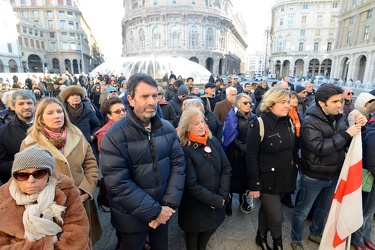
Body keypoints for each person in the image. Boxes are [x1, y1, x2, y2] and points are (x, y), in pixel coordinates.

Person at [99, 73, 186, 250]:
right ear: (130, 99)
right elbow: (119, 184)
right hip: (130, 218)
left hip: (163, 210)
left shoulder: (167, 128)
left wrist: (167, 206)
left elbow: (178, 166)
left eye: (154, 95)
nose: (152, 101)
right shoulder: (114, 136)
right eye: (144, 96)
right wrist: (156, 211)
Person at [291, 84, 367, 250]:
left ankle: (315, 233)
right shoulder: (310, 122)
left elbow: (346, 140)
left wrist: (361, 126)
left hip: (333, 173)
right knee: (303, 211)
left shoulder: (338, 117)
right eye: (334, 101)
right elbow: (319, 148)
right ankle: (296, 239)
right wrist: (347, 133)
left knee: (323, 209)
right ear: (321, 103)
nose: (340, 105)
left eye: (340, 100)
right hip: (313, 175)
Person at [20, 97, 102, 245]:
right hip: (50, 207)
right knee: (61, 243)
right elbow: (25, 178)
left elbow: (90, 164)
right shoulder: (30, 143)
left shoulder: (76, 134)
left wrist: (85, 191)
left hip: (81, 200)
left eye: (59, 111)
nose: (57, 116)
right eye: (50, 113)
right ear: (41, 119)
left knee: (83, 240)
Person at [0, 145, 91, 249]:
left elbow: (78, 231)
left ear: (49, 174)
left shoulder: (67, 190)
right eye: (23, 175)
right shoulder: (2, 198)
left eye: (39, 173)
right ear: (15, 177)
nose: (31, 180)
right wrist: (53, 239)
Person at [246, 87, 296, 250]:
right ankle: (278, 243)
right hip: (266, 180)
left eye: (288, 102)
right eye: (283, 102)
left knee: (267, 210)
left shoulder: (288, 121)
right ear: (271, 103)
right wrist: (254, 185)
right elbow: (251, 156)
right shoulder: (259, 123)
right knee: (276, 217)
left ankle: (260, 237)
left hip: (284, 177)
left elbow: (290, 148)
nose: (287, 105)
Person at [177, 107, 231, 250]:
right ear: (186, 127)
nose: (201, 126)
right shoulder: (184, 149)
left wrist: (222, 196)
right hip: (195, 208)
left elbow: (226, 168)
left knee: (206, 237)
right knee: (193, 240)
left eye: (202, 121)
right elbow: (191, 185)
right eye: (196, 123)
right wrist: (215, 200)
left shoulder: (212, 141)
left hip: (217, 202)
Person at [222, 93, 256, 215]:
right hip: (234, 155)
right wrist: (244, 148)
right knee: (232, 180)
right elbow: (230, 137)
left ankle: (243, 200)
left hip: (248, 155)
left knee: (244, 180)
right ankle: (229, 203)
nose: (248, 105)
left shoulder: (253, 117)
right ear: (237, 104)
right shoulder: (232, 117)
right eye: (245, 103)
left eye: (250, 103)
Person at [0, 90, 35, 184]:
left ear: (35, 105)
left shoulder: (48, 125)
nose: (26, 107)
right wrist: (25, 165)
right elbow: (2, 163)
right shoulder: (3, 132)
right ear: (13, 107)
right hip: (20, 182)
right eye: (21, 104)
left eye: (29, 103)